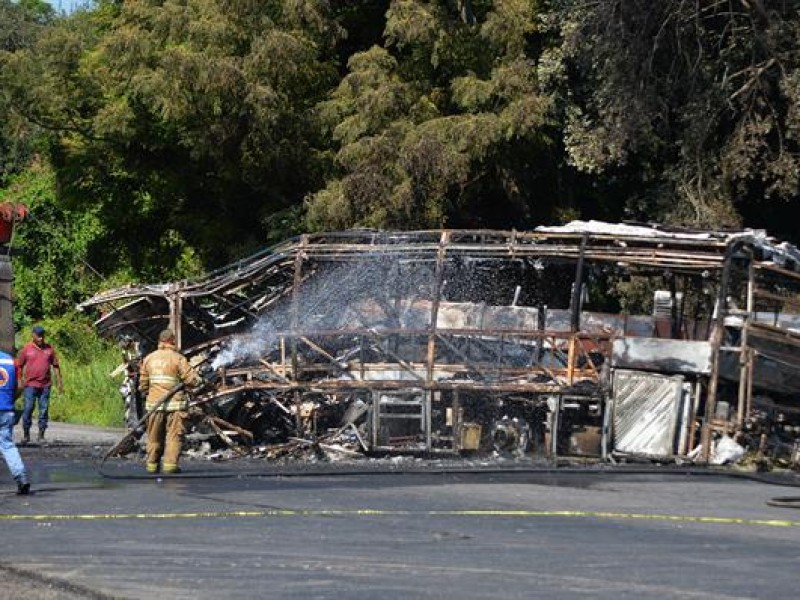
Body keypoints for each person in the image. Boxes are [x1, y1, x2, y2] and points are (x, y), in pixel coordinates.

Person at [138, 328, 200, 474]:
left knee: (153, 437)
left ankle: (152, 465)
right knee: (174, 436)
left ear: (160, 341)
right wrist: (199, 380)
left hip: (154, 405)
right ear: (172, 341)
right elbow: (191, 380)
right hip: (175, 406)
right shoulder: (178, 358)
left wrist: (150, 392)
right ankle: (170, 466)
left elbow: (143, 384)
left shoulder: (149, 358)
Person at [16, 325, 63, 444]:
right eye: (38, 336)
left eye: (42, 335)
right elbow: (19, 366)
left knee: (43, 410)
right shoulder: (26, 349)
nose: (40, 338)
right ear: (33, 335)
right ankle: (26, 435)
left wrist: (59, 382)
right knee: (28, 408)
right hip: (30, 385)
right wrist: (19, 380)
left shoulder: (49, 349)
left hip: (45, 385)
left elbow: (56, 366)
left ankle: (41, 435)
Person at [0, 349, 30, 494]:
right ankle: (21, 478)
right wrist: (10, 400)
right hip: (7, 410)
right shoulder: (11, 361)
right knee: (7, 445)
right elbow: (20, 385)